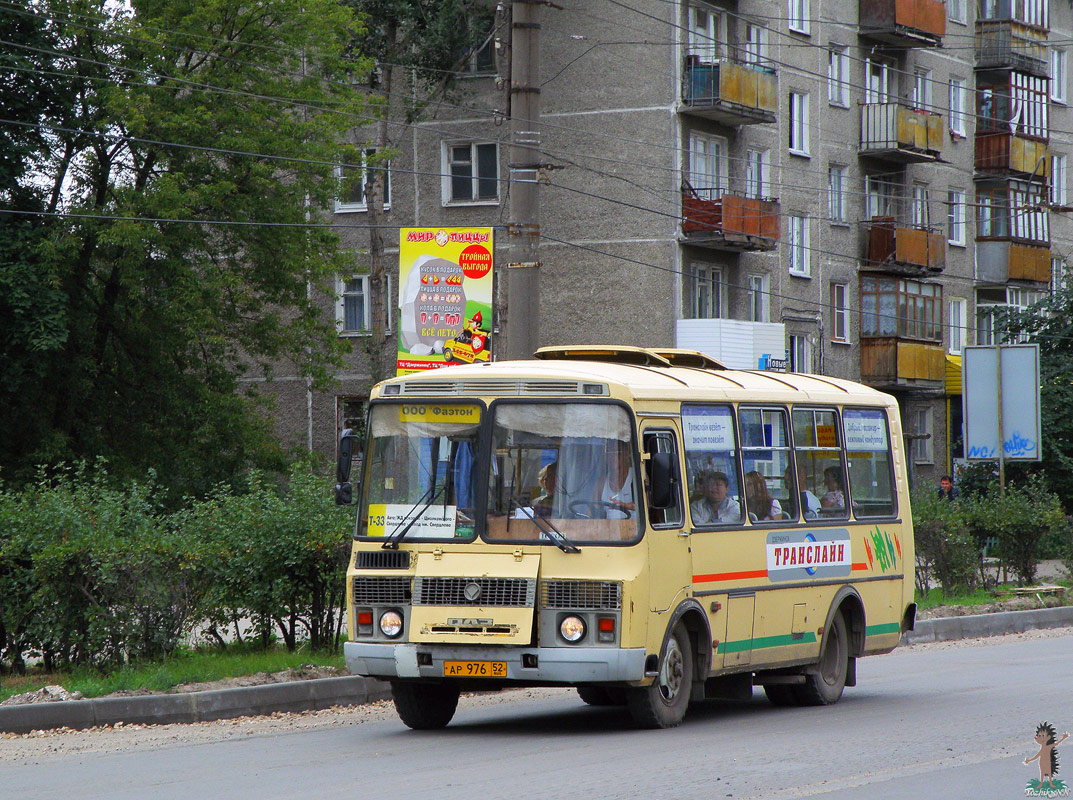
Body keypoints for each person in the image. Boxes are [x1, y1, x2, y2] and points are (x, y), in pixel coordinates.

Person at [601, 443, 636, 518]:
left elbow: (647, 505)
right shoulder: (601, 481)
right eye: (608, 454)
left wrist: (625, 505)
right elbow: (591, 509)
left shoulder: (637, 476)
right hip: (608, 528)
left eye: (615, 453)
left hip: (636, 528)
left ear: (625, 454)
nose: (611, 457)